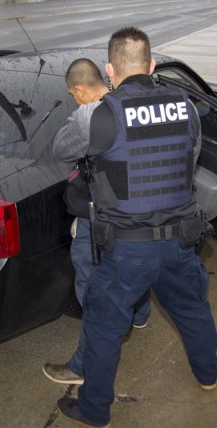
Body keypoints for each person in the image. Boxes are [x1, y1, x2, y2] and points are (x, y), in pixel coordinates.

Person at [55, 28, 217, 428]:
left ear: (111, 71)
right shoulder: (185, 105)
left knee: (102, 327)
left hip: (126, 248)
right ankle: (208, 375)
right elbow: (190, 159)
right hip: (180, 239)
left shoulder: (100, 114)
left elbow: (60, 150)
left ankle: (95, 411)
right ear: (152, 65)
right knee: (192, 309)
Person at [43, 58, 152, 386]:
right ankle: (140, 314)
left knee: (92, 286)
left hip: (98, 213)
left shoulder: (88, 115)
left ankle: (82, 367)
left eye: (72, 95)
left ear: (79, 89)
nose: (74, 100)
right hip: (136, 209)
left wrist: (76, 116)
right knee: (132, 268)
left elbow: (60, 150)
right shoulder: (134, 103)